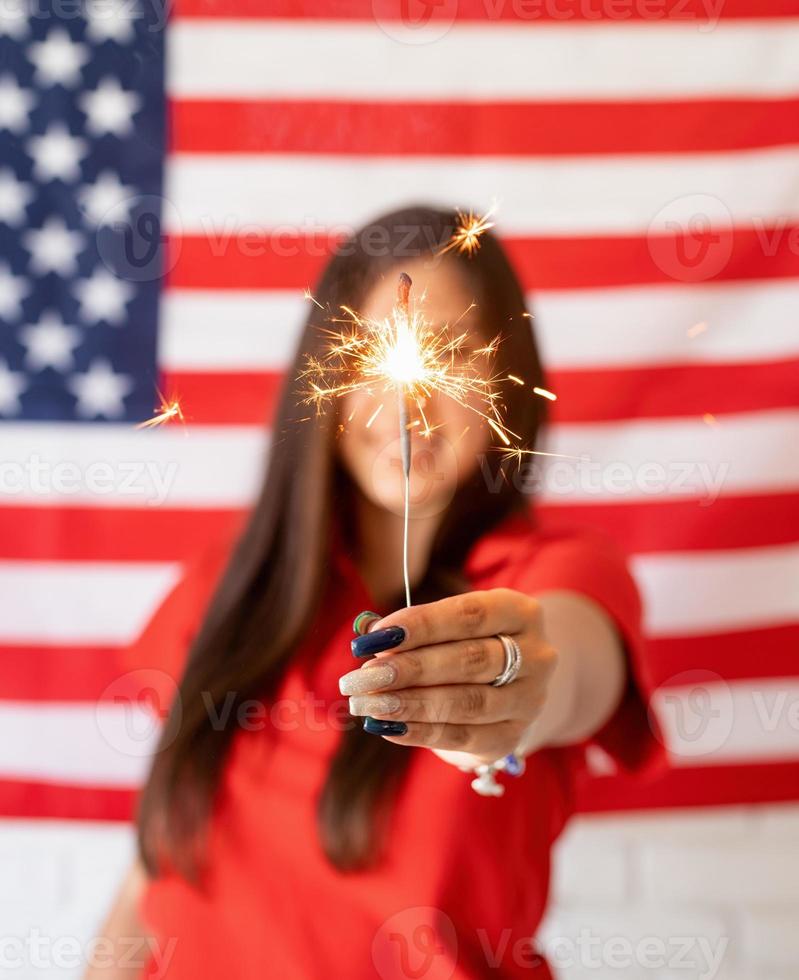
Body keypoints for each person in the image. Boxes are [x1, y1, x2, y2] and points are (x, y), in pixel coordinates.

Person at [87, 206, 664, 979]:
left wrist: (517, 686)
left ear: (507, 380)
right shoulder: (223, 589)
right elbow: (149, 879)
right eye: (365, 358)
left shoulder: (556, 574)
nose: (406, 406)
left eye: (451, 356)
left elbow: (566, 663)